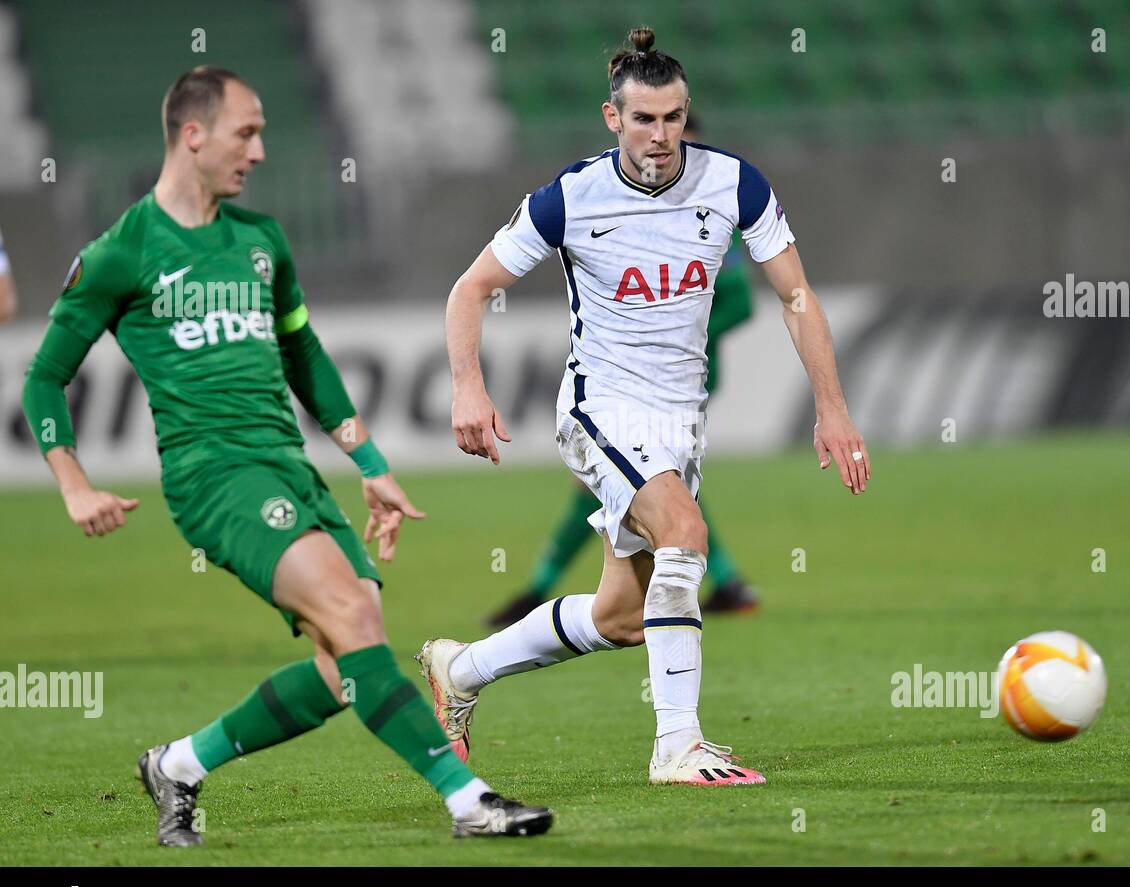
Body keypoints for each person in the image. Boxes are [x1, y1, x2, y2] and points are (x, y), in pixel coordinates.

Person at [21, 66, 551, 843]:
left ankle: (179, 765)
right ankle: (468, 800)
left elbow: (304, 356)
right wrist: (72, 485)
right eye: (247, 131)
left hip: (290, 469)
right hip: (215, 477)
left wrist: (370, 465)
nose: (261, 150)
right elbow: (43, 379)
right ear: (192, 135)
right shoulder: (119, 253)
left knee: (349, 662)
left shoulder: (262, 240)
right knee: (348, 614)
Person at [421, 27, 869, 786]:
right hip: (601, 406)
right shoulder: (570, 198)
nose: (660, 137)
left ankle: (461, 669)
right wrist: (468, 384)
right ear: (611, 118)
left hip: (679, 419)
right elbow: (471, 289)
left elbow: (795, 294)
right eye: (643, 120)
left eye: (672, 118)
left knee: (622, 617)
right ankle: (678, 746)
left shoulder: (734, 184)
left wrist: (833, 405)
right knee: (684, 533)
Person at [484, 112, 759, 629]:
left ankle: (540, 589)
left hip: (684, 379)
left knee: (653, 492)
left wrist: (679, 331)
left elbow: (743, 302)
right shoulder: (618, 208)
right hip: (625, 385)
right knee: (664, 492)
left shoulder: (714, 211)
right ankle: (723, 580)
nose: (666, 148)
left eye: (680, 136)